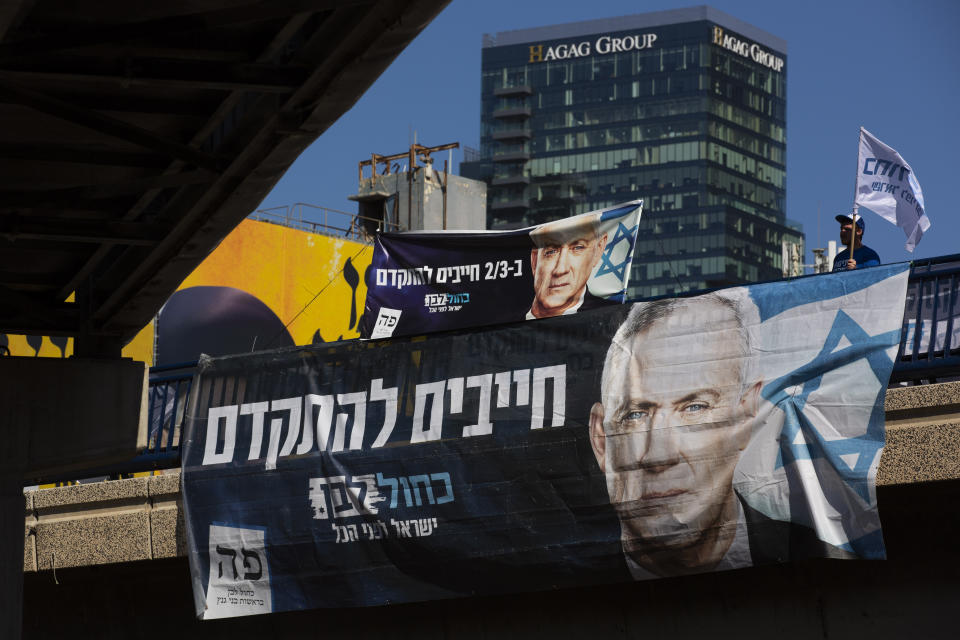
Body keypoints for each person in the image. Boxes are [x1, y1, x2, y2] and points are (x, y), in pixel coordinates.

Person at [588, 294, 761, 578]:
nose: (659, 454)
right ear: (601, 439)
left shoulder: (821, 554)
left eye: (695, 407)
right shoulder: (558, 577)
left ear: (743, 419)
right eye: (635, 414)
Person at [526, 214, 610, 319]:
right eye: (551, 252)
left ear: (598, 250)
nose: (560, 270)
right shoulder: (505, 319)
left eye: (577, 248)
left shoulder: (609, 317)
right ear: (534, 260)